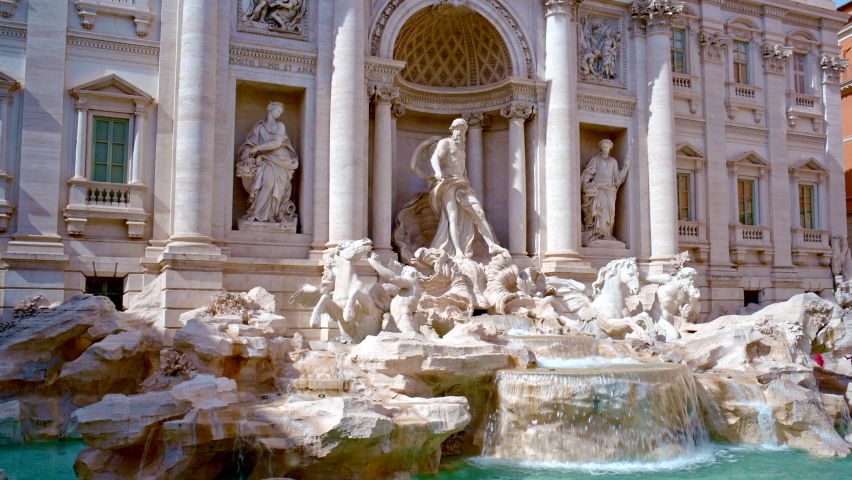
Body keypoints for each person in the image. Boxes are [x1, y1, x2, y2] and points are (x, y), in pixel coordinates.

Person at [410, 118, 506, 259]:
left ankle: (491, 244)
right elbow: (434, 158)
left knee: (478, 212)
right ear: (452, 129)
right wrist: (437, 172)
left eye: (463, 130)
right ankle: (457, 251)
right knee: (452, 217)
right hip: (448, 182)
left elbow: (463, 170)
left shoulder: (462, 149)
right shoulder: (445, 143)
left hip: (462, 185)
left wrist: (467, 182)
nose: (460, 132)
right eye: (457, 129)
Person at [236, 102, 299, 223]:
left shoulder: (280, 125)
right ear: (270, 109)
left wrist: (257, 149)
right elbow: (251, 143)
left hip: (280, 160)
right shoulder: (259, 127)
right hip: (265, 159)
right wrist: (249, 151)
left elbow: (276, 144)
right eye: (277, 111)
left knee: (273, 187)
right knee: (267, 185)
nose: (278, 114)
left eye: (280, 112)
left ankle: (268, 214)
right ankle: (259, 214)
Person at [581, 139, 629, 244]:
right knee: (599, 212)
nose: (605, 149)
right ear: (601, 147)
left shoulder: (613, 162)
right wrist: (585, 185)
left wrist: (626, 167)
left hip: (610, 190)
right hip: (598, 189)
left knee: (609, 214)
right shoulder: (596, 159)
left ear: (610, 148)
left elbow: (617, 178)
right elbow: (588, 174)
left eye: (607, 147)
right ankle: (597, 234)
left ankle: (607, 234)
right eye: (604, 147)